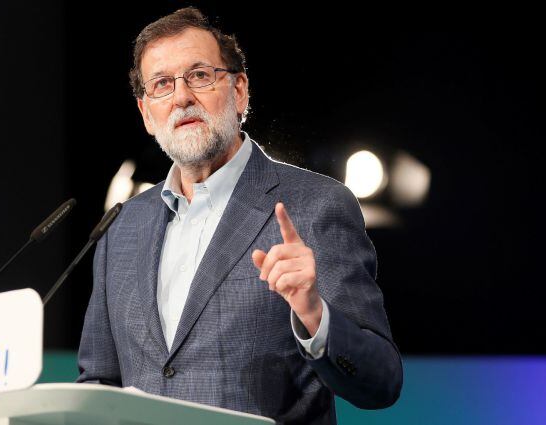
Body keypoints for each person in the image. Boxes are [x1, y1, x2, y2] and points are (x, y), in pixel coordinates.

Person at [77, 7, 402, 425]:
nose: (181, 97)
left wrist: (315, 314)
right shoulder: (122, 226)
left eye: (199, 76)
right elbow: (99, 382)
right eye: (162, 84)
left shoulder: (317, 205)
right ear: (146, 114)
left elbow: (381, 383)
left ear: (240, 90)